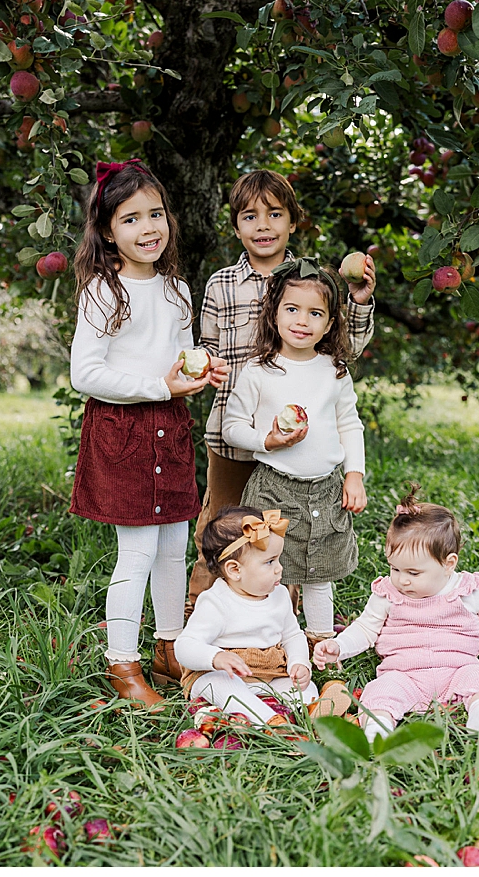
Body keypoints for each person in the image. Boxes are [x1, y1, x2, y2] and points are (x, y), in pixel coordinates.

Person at [66, 158, 226, 707]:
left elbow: (177, 361)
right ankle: (122, 663)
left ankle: (168, 647)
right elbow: (85, 374)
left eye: (156, 214)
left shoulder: (177, 291)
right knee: (134, 553)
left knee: (172, 547)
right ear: (108, 231)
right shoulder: (103, 293)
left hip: (171, 430)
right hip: (124, 431)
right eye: (131, 219)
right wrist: (161, 386)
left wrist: (200, 371)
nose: (148, 228)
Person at [192, 170, 376, 609]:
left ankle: (282, 617)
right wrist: (206, 365)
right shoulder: (221, 283)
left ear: (293, 221)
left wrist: (360, 299)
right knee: (222, 524)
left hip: (297, 448)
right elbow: (207, 348)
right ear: (235, 226)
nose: (263, 225)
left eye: (275, 214)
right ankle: (203, 608)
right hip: (233, 432)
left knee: (283, 531)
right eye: (250, 216)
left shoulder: (309, 282)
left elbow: (343, 348)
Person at [220, 260, 367, 644]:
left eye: (315, 313)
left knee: (318, 574)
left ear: (330, 323)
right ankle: (272, 643)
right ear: (274, 314)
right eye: (292, 309)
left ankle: (320, 644)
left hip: (324, 489)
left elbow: (349, 424)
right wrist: (266, 441)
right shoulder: (259, 371)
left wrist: (354, 475)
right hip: (273, 487)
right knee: (268, 571)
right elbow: (232, 426)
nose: (302, 321)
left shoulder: (333, 371)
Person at [314, 487, 479, 740]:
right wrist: (339, 646)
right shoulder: (388, 593)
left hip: (459, 670)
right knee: (380, 692)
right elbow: (366, 628)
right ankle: (378, 729)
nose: (402, 580)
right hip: (403, 675)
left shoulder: (468, 591)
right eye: (395, 569)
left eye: (413, 573)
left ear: (448, 564)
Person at [177, 507, 349, 724]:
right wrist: (216, 657)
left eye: (278, 559)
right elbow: (185, 646)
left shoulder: (278, 594)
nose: (279, 569)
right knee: (221, 687)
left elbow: (292, 635)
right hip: (226, 675)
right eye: (270, 562)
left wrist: (299, 663)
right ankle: (269, 720)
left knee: (301, 687)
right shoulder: (216, 603)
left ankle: (313, 708)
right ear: (235, 570)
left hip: (271, 673)